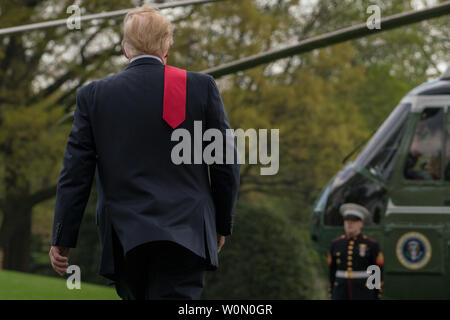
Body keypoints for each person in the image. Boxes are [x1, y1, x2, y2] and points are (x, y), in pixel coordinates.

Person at [48, 4, 240, 300]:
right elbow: (225, 164)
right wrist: (221, 224)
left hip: (125, 238)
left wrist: (63, 237)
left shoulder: (93, 96)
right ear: (166, 47)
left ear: (125, 48)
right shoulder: (201, 88)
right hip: (187, 235)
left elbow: (75, 174)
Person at [327, 203, 384, 300]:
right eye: (347, 220)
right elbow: (332, 271)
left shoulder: (371, 245)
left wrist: (376, 295)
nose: (349, 223)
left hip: (363, 293)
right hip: (340, 292)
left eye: (353, 220)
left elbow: (376, 272)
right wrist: (332, 292)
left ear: (361, 223)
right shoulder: (336, 244)